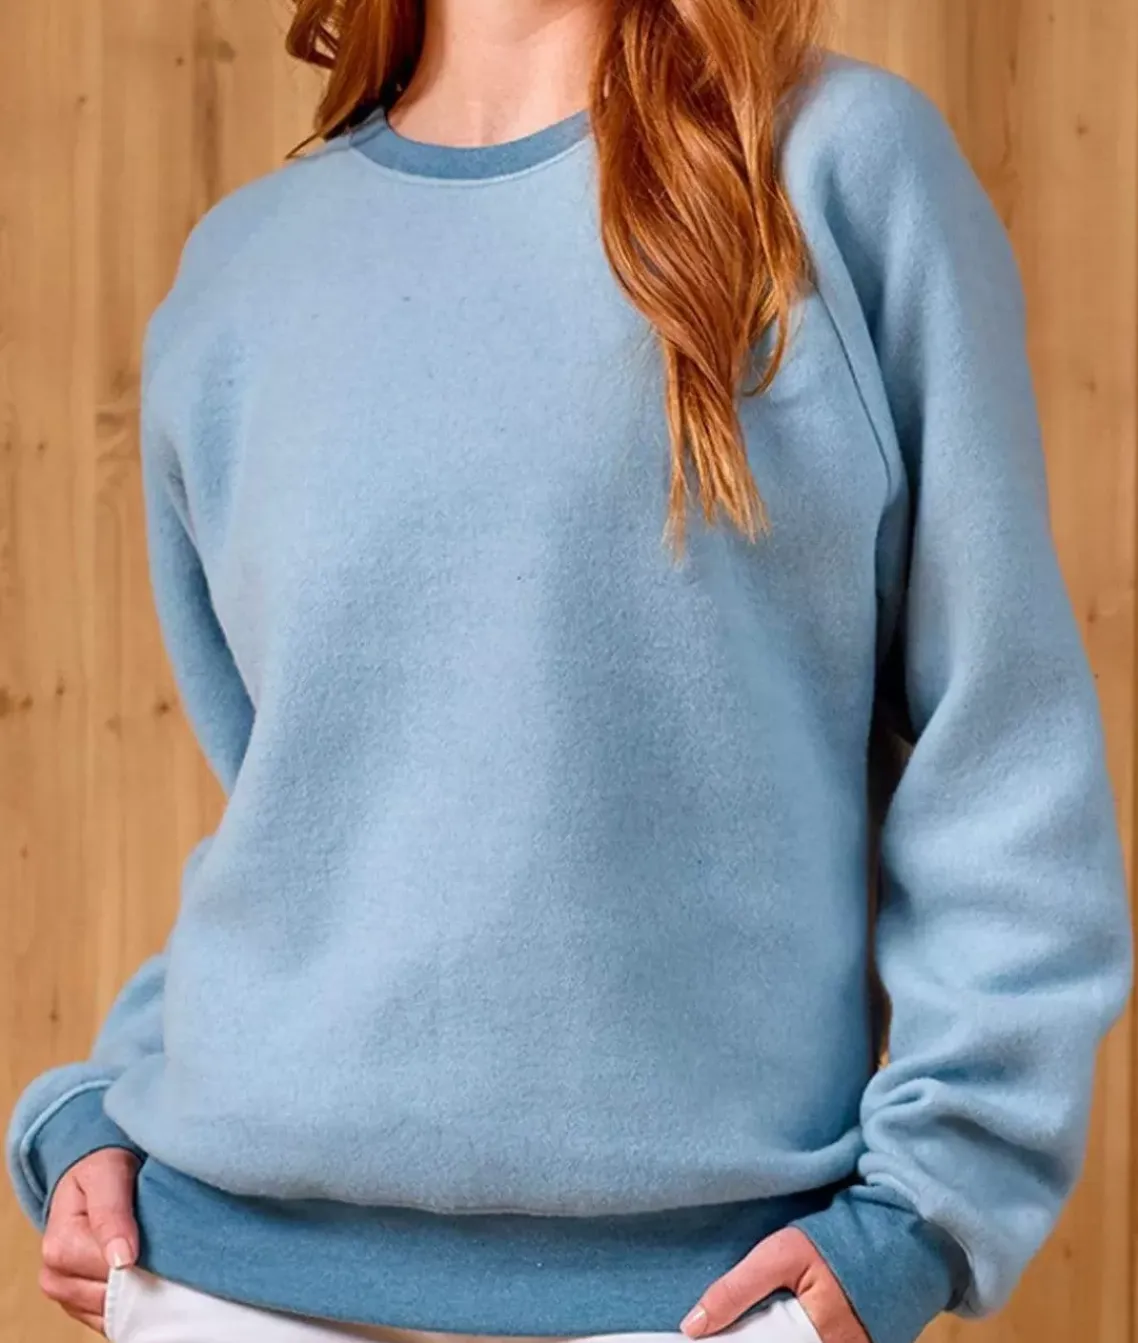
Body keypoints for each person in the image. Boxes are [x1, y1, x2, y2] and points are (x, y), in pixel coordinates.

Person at [7, 1, 1133, 1342]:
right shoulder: (243, 267)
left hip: (703, 1301)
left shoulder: (827, 166)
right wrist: (96, 1108)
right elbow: (309, 812)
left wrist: (926, 1210)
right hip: (218, 1276)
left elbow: (999, 743)